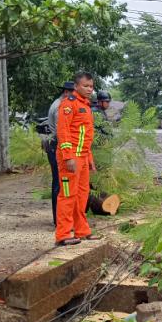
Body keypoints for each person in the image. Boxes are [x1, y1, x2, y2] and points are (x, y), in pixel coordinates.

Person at [55, 72, 100, 246]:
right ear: (76, 87)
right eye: (85, 86)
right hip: (70, 159)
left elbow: (86, 136)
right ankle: (63, 234)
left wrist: (89, 158)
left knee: (82, 196)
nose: (89, 89)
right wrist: (68, 157)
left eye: (91, 86)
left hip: (82, 157)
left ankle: (82, 230)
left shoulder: (86, 106)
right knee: (67, 196)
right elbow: (63, 131)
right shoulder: (68, 105)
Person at [43, 81, 74, 225]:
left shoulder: (61, 104)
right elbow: (62, 131)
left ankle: (61, 219)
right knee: (60, 183)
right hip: (57, 146)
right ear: (67, 92)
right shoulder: (59, 107)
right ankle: (59, 220)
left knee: (60, 183)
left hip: (57, 145)